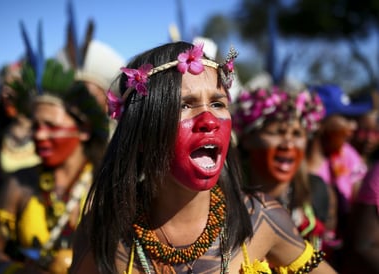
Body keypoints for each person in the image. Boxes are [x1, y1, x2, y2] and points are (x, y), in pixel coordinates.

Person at [69, 41, 335, 273]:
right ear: (141, 134)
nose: (209, 120)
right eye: (184, 104)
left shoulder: (261, 218)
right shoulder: (104, 228)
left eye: (218, 103)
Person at [0, 59, 109, 274]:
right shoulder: (19, 182)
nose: (39, 135)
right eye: (35, 126)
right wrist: (13, 270)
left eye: (51, 126)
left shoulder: (108, 184)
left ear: (84, 130)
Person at [231, 86, 329, 250]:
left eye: (297, 134)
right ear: (247, 139)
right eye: (277, 132)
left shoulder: (315, 190)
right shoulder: (226, 198)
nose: (288, 144)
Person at [307, 84, 370, 268]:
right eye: (345, 118)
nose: (353, 126)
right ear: (321, 122)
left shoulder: (347, 155)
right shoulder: (293, 164)